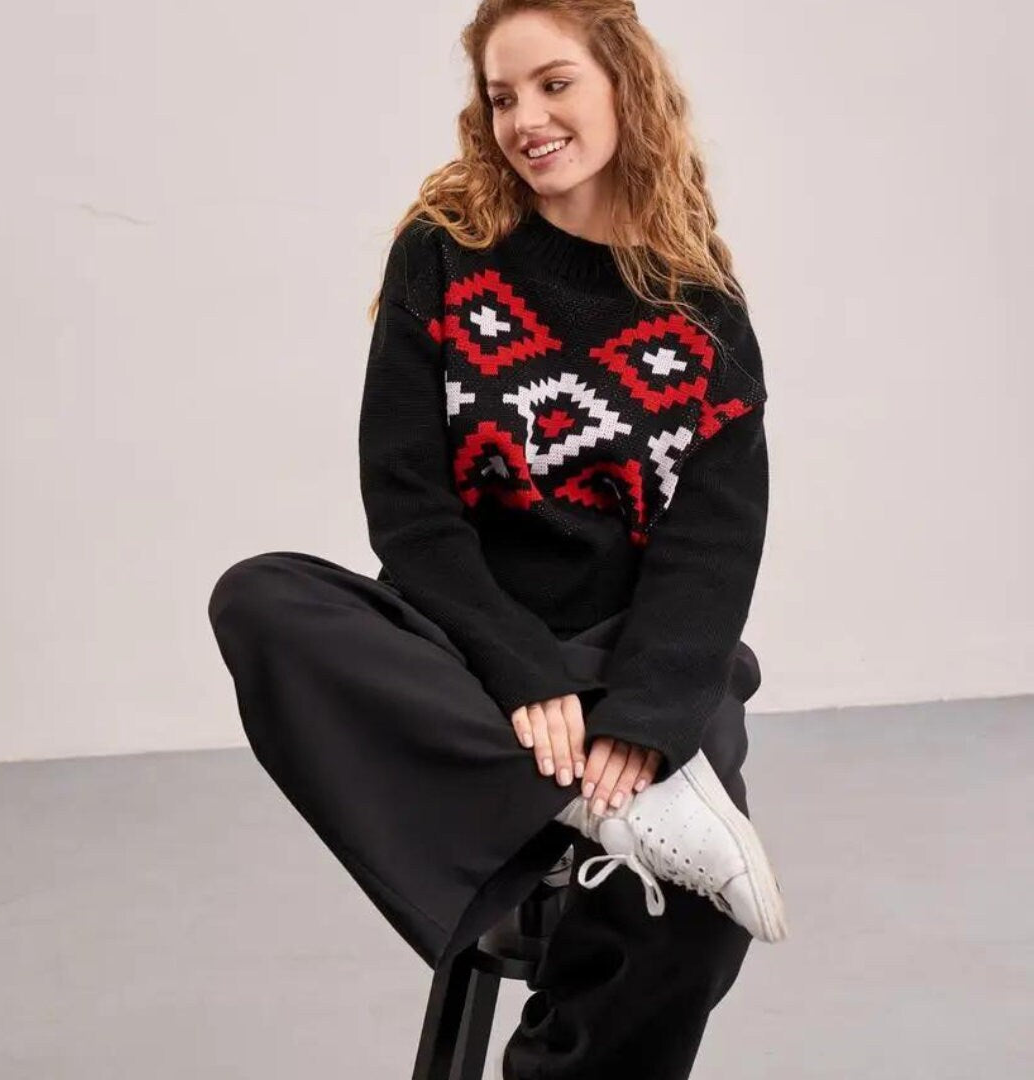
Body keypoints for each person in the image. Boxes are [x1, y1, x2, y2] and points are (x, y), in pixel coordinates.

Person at [207, 1, 788, 1076]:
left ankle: (622, 817)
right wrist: (519, 674)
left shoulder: (703, 311)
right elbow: (410, 508)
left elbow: (713, 551)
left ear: (624, 82)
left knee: (694, 914)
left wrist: (650, 721)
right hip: (470, 653)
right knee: (258, 596)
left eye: (554, 83)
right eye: (503, 95)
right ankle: (589, 809)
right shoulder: (448, 254)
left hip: (636, 653)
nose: (526, 117)